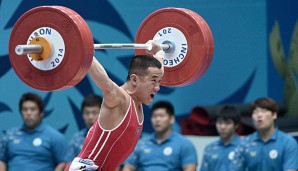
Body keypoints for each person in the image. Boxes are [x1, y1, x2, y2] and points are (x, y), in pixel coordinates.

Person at [65, 41, 165, 171]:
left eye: (159, 81)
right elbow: (105, 83)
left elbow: (158, 71)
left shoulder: (139, 99)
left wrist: (160, 52)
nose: (157, 88)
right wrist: (86, 54)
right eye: (154, 81)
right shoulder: (120, 100)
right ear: (134, 80)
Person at [122, 101, 198, 171]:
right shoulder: (141, 143)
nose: (157, 120)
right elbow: (128, 167)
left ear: (172, 119)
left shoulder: (184, 144)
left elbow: (190, 168)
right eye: (154, 116)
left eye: (161, 116)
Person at [0, 92, 67, 171]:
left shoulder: (55, 136)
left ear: (41, 113)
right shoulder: (9, 135)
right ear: (21, 112)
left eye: (33, 109)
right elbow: (2, 160)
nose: (28, 113)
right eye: (25, 109)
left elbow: (63, 162)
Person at [229, 97, 298, 171]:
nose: (259, 115)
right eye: (255, 112)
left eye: (263, 111)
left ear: (274, 115)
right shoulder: (244, 144)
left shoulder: (288, 143)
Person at [200, 105, 242, 171]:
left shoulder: (244, 147)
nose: (222, 127)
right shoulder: (210, 148)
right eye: (219, 122)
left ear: (236, 125)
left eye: (227, 123)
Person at [66, 94, 103, 162]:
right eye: (87, 113)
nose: (90, 117)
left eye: (94, 113)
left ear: (103, 114)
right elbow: (69, 165)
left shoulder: (110, 138)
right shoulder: (76, 139)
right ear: (82, 114)